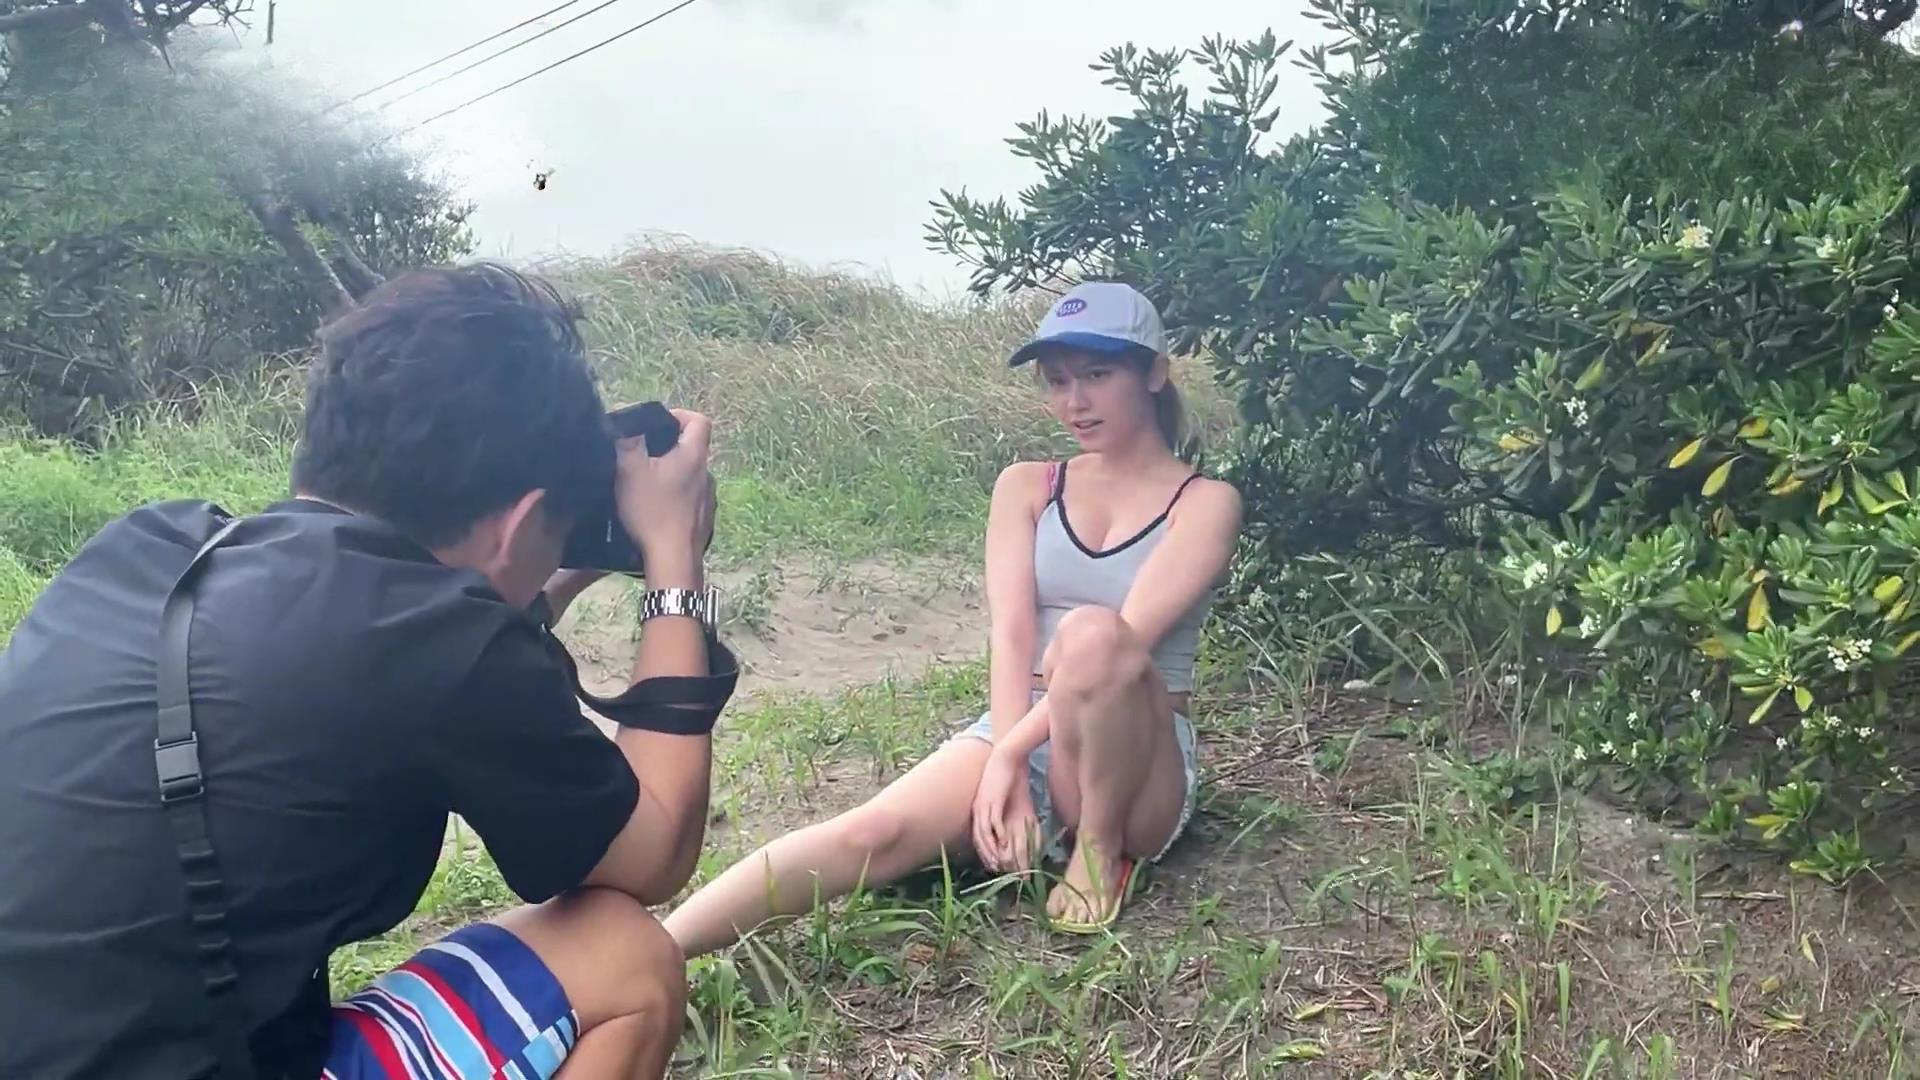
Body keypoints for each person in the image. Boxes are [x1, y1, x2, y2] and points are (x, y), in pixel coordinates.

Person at [0, 263, 738, 1080]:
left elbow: (395, 640)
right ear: (523, 518)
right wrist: (672, 556)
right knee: (625, 960)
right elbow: (652, 848)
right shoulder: (442, 644)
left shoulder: (154, 546)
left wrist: (555, 565)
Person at [662, 281, 1242, 956]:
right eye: (1057, 381)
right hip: (1027, 723)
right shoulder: (1029, 485)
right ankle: (655, 952)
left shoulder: (1205, 502)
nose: (1074, 402)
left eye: (1096, 375)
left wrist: (1011, 753)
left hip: (1137, 758)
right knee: (871, 833)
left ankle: (1098, 848)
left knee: (1093, 632)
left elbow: (1127, 639)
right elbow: (1013, 632)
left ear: (1155, 373)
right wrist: (1002, 758)